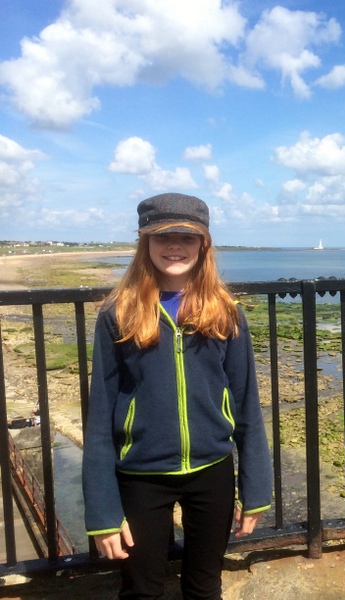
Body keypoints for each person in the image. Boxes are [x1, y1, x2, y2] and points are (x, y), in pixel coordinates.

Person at [82, 193, 273, 600]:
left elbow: (246, 405)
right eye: (162, 236)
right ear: (145, 244)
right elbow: (99, 417)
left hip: (212, 471)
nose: (174, 246)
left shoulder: (226, 311)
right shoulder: (118, 313)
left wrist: (255, 489)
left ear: (203, 245)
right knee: (141, 590)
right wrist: (102, 513)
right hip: (140, 476)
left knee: (205, 587)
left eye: (186, 237)